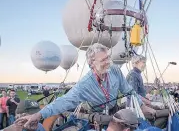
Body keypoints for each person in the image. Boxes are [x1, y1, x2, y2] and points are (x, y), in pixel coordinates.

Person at [15, 43, 155, 130]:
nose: (108, 62)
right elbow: (64, 101)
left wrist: (143, 105)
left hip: (114, 113)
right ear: (92, 64)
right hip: (97, 118)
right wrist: (38, 115)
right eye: (104, 60)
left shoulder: (115, 71)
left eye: (108, 57)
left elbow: (129, 91)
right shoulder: (85, 84)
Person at [126, 55, 170, 129]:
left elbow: (141, 93)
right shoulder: (133, 75)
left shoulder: (137, 74)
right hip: (135, 108)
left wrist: (150, 92)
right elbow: (133, 95)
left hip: (140, 106)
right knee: (168, 113)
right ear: (136, 62)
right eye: (143, 62)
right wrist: (151, 103)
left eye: (145, 63)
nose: (144, 65)